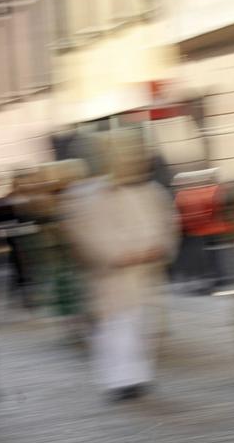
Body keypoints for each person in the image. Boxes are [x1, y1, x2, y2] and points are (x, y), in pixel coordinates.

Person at [63, 131, 178, 402]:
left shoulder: (150, 192)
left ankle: (138, 375)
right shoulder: (88, 196)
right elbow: (87, 233)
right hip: (112, 275)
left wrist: (157, 247)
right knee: (115, 324)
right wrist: (115, 255)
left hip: (143, 271)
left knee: (142, 322)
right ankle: (119, 379)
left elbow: (165, 223)